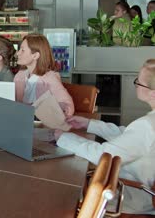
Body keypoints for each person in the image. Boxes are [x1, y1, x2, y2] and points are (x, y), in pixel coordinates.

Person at [54, 58, 155, 215]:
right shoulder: (148, 124)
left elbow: (101, 155)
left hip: (129, 197)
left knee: (60, 187)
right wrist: (89, 124)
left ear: (153, 94)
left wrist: (63, 138)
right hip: (138, 192)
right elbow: (128, 135)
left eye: (138, 83)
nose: (135, 85)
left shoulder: (147, 126)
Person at [14, 34, 74, 116]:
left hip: (41, 126)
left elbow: (68, 106)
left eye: (22, 50)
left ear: (35, 55)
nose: (18, 53)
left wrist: (46, 109)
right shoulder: (19, 76)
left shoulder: (50, 78)